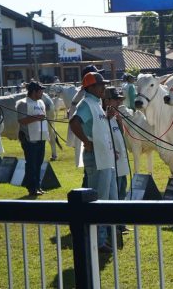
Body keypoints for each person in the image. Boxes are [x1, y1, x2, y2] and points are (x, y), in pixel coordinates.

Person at [69, 72, 118, 253]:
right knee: (99, 200)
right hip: (97, 159)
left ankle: (106, 237)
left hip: (105, 157)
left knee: (110, 198)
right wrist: (86, 141)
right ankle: (97, 242)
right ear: (91, 87)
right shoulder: (87, 104)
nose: (103, 88)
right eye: (100, 85)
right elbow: (74, 122)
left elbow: (100, 130)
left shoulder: (96, 104)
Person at [16, 81, 49, 196]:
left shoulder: (41, 103)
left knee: (39, 163)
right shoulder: (23, 103)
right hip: (29, 139)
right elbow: (21, 120)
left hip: (41, 137)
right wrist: (37, 117)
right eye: (40, 90)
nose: (42, 93)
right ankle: (32, 188)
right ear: (34, 91)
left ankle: (37, 186)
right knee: (31, 164)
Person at [103, 87, 130, 201]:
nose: (119, 102)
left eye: (119, 99)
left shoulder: (115, 116)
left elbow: (120, 135)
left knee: (122, 190)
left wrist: (119, 123)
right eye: (115, 99)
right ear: (107, 101)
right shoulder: (103, 116)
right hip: (114, 164)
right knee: (116, 194)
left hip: (122, 163)